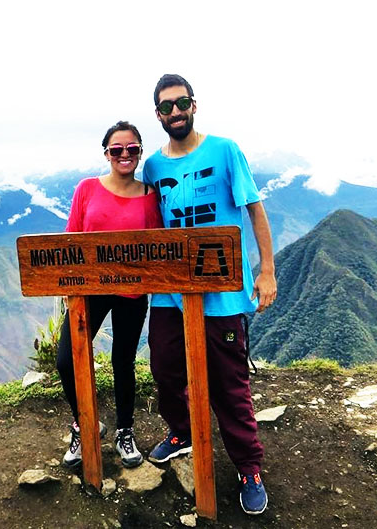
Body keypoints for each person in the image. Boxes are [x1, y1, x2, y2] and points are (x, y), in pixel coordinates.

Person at [141, 74, 277, 515]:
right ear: (158, 114)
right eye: (166, 107)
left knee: (229, 384)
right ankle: (181, 431)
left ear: (194, 105)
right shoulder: (154, 167)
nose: (175, 112)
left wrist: (266, 271)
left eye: (181, 103)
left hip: (222, 290)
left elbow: (254, 209)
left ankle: (248, 467)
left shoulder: (225, 150)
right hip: (170, 291)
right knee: (164, 370)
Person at [57, 120, 163, 469]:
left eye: (132, 149)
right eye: (117, 149)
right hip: (90, 288)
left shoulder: (150, 197)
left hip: (132, 291)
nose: (124, 155)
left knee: (123, 362)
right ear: (106, 153)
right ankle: (83, 424)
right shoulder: (87, 188)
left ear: (140, 152)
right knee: (66, 359)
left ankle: (124, 430)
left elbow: (157, 245)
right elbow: (71, 237)